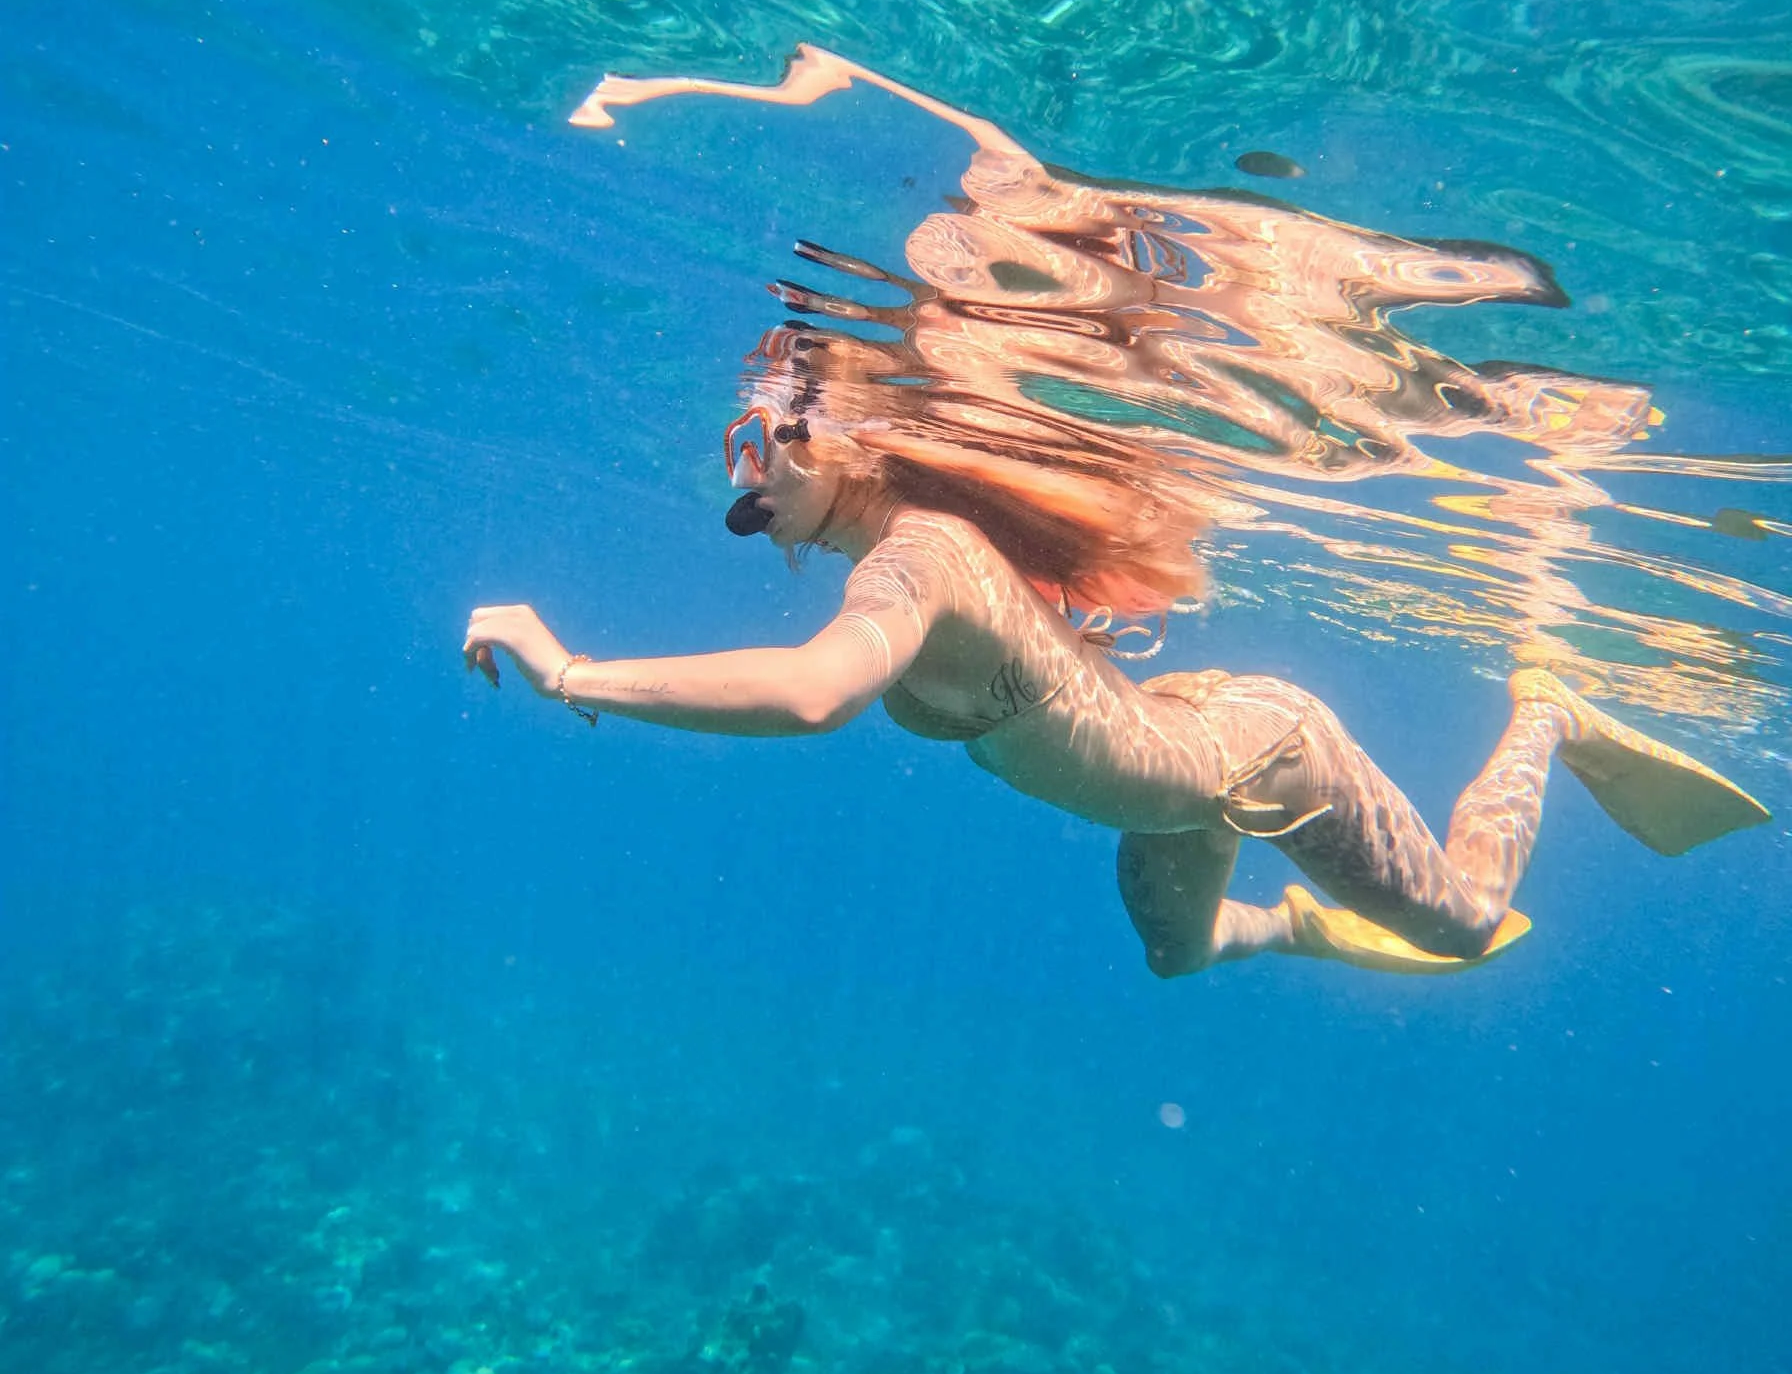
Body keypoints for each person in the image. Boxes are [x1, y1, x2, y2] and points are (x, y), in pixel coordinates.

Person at [462, 332, 1769, 978]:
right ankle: (1299, 922)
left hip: (1258, 753)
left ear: (847, 433)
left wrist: (571, 671)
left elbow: (813, 698)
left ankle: (1550, 712)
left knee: (1470, 926)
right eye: (741, 461)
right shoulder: (913, 555)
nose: (749, 478)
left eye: (767, 442)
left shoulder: (918, 556)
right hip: (1173, 762)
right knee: (1178, 960)